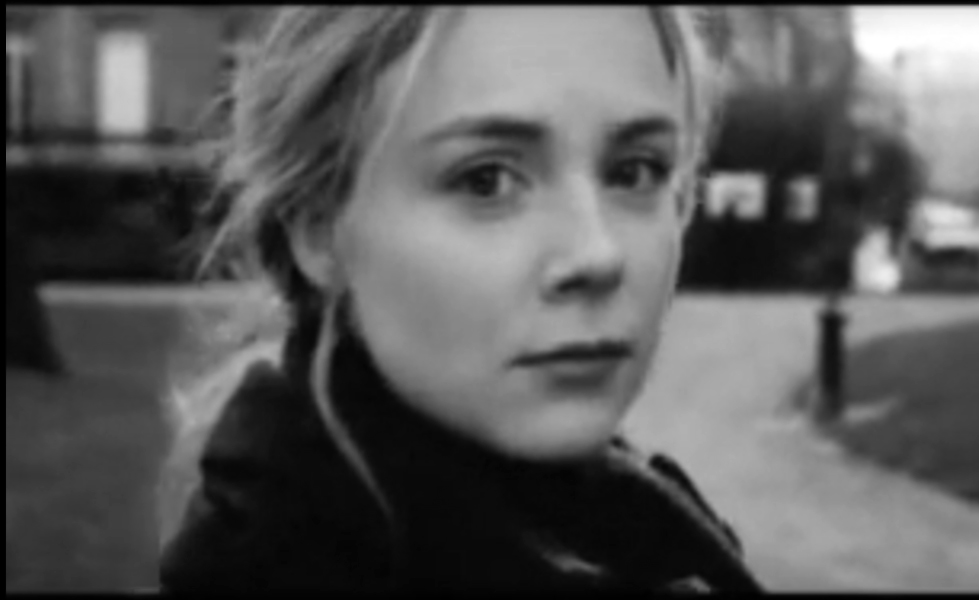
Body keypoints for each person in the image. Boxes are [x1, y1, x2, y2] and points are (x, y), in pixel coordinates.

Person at [158, 6, 764, 592]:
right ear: (320, 231)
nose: (598, 253)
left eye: (635, 171)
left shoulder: (638, 528)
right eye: (486, 180)